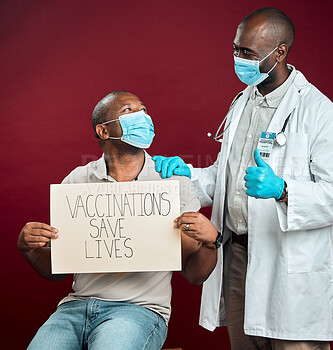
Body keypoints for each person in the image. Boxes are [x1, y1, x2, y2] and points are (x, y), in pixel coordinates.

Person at [152, 7, 333, 350]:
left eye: (247, 53)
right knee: (245, 344)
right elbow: (227, 180)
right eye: (235, 49)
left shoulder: (319, 112)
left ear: (279, 52)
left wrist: (284, 190)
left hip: (286, 258)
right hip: (236, 254)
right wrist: (190, 176)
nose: (238, 58)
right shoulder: (243, 102)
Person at [18, 91, 220, 350]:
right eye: (128, 111)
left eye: (144, 109)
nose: (143, 116)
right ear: (103, 131)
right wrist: (29, 249)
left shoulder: (171, 183)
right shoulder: (77, 181)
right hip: (75, 307)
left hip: (138, 310)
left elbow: (193, 274)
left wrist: (211, 242)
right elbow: (59, 270)